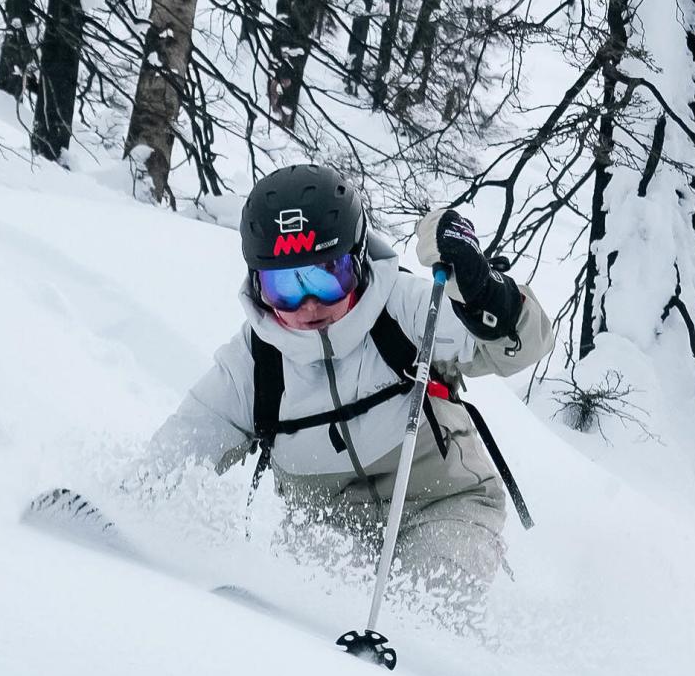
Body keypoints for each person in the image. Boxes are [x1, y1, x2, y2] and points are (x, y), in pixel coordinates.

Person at [147, 163, 550, 599]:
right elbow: (189, 438)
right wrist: (128, 504)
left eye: (327, 276)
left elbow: (522, 344)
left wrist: (485, 293)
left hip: (444, 505)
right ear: (258, 284)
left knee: (432, 596)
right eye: (285, 287)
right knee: (308, 597)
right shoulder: (257, 360)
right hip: (329, 528)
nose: (308, 305)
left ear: (357, 262)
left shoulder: (405, 308)